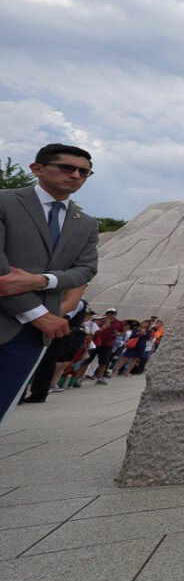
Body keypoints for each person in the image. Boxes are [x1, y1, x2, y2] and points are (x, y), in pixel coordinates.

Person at [0, 144, 100, 427]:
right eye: (67, 168)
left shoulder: (86, 224)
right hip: (31, 319)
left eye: (84, 172)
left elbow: (86, 269)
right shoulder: (5, 202)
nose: (76, 176)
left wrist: (44, 280)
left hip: (33, 335)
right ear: (37, 168)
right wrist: (38, 314)